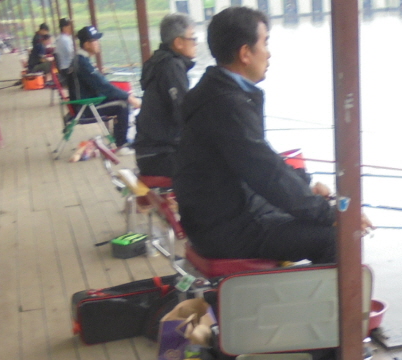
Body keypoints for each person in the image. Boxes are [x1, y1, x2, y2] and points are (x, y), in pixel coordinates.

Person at [174, 6, 368, 264]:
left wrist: (307, 188)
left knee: (309, 216)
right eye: (265, 43)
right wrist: (331, 214)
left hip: (215, 219)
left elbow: (262, 162)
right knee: (335, 238)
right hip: (224, 230)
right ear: (245, 53)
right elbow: (266, 173)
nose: (269, 53)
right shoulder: (227, 104)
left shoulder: (215, 92)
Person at [133, 13, 197, 179]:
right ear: (178, 42)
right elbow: (184, 112)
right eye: (192, 38)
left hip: (149, 153)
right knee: (220, 169)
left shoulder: (159, 62)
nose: (196, 43)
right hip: (159, 156)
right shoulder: (171, 66)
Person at [69, 25, 142, 148]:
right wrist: (129, 97)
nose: (98, 43)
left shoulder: (81, 60)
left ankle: (121, 137)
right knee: (122, 104)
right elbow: (103, 86)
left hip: (89, 102)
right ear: (86, 44)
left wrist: (125, 95)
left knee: (124, 98)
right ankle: (122, 144)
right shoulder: (82, 63)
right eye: (95, 40)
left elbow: (101, 84)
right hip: (85, 107)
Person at [54, 17, 75, 86]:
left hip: (63, 69)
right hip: (68, 70)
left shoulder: (59, 38)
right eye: (70, 26)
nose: (72, 28)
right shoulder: (66, 40)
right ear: (64, 28)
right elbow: (71, 54)